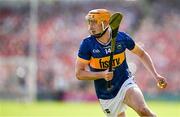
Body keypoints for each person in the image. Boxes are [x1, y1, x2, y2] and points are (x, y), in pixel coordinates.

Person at [75, 9, 167, 117]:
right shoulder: (87, 44)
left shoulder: (122, 38)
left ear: (105, 23)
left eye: (94, 23)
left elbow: (141, 54)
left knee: (143, 110)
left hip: (125, 82)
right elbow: (79, 73)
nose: (90, 27)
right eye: (89, 22)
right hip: (106, 94)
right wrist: (102, 74)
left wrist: (156, 75)